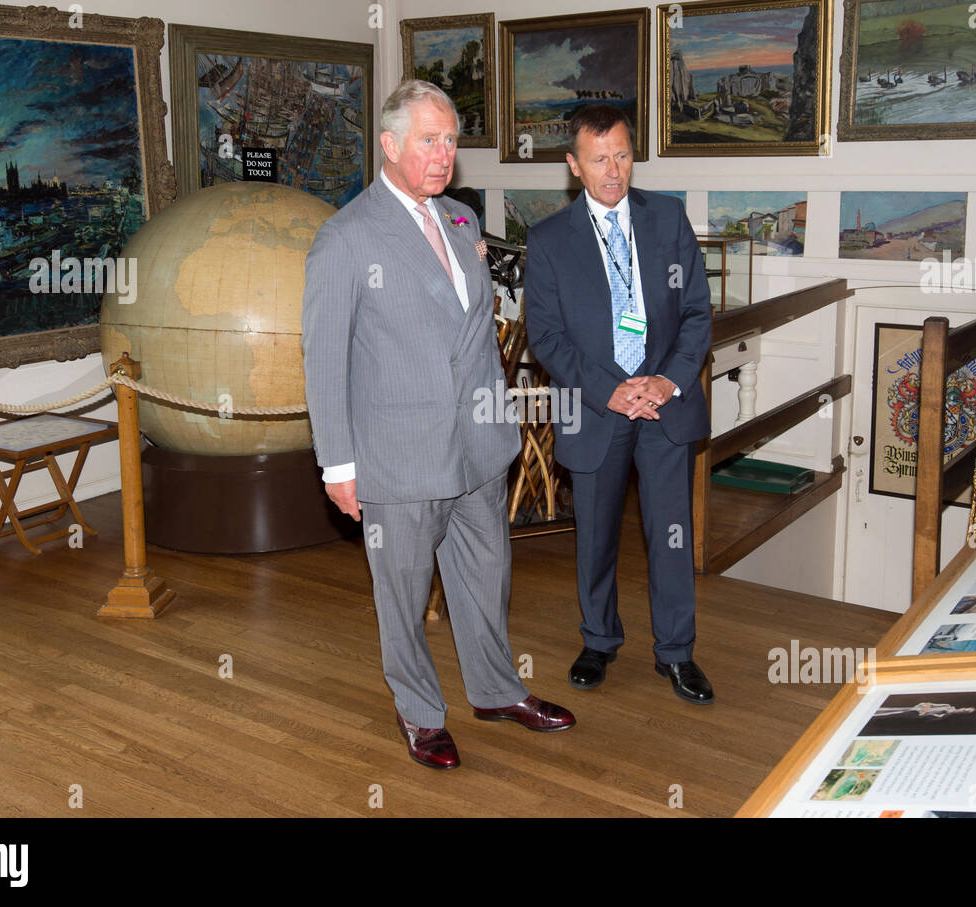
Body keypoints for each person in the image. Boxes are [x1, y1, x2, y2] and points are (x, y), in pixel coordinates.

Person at [301, 80, 574, 770]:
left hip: (477, 449)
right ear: (389, 145)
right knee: (403, 594)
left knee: (486, 580)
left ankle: (494, 689)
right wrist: (338, 465)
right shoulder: (344, 239)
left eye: (451, 139)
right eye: (430, 139)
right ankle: (421, 712)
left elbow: (476, 334)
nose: (444, 153)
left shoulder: (459, 220)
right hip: (397, 458)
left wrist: (497, 416)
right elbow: (324, 359)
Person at [524, 105, 715, 704]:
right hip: (597, 406)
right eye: (599, 158)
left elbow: (696, 314)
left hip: (664, 407)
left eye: (623, 155)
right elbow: (547, 337)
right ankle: (599, 639)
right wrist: (610, 389)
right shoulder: (550, 240)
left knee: (671, 534)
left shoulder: (669, 218)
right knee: (596, 535)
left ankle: (677, 653)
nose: (614, 170)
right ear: (573, 166)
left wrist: (667, 382)